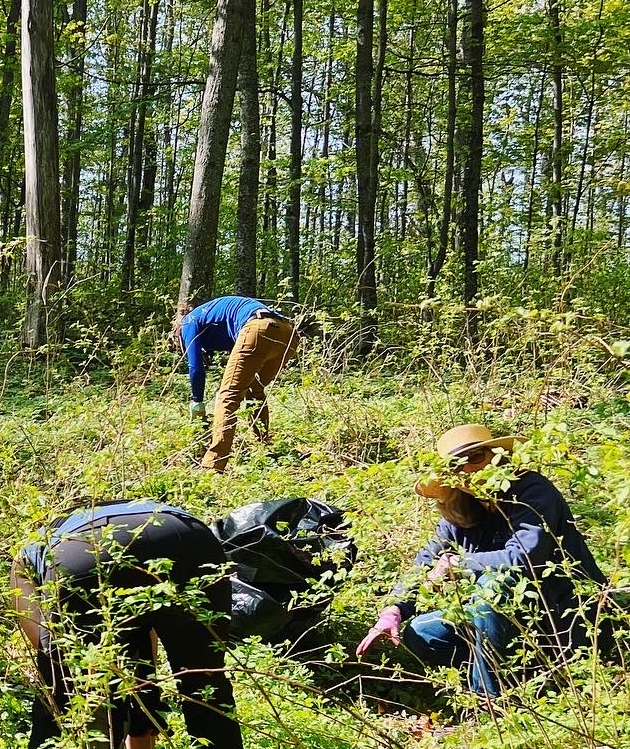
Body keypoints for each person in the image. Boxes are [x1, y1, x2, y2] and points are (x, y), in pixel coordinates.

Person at [12, 499, 256, 749]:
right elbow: (145, 666)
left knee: (59, 711)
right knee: (209, 697)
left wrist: (72, 683)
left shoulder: (32, 554)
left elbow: (46, 643)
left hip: (83, 560)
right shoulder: (148, 511)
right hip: (189, 541)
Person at [356, 424, 608, 699]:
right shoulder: (462, 509)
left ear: (497, 456)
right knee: (421, 633)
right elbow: (427, 561)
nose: (468, 470)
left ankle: (490, 702)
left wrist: (459, 564)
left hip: (565, 615)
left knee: (493, 586)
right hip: (499, 623)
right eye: (457, 465)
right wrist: (393, 609)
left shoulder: (532, 491)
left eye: (476, 457)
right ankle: (515, 675)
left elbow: (525, 556)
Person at [175, 295, 298, 473]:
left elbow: (196, 367)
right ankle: (262, 449)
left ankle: (213, 466)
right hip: (288, 333)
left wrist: (197, 402)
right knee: (254, 390)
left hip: (258, 327)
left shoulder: (188, 322)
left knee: (227, 397)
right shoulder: (210, 317)